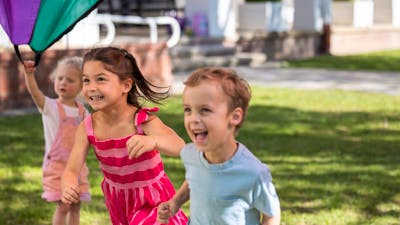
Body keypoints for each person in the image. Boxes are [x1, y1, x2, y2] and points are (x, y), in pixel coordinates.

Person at [61, 47, 188, 225]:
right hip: (120, 203)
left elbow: (179, 146)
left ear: (126, 85)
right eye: (86, 81)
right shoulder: (88, 127)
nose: (91, 87)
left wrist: (153, 140)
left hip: (154, 201)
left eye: (101, 79)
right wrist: (68, 184)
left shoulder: (142, 120)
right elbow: (71, 169)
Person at [157, 67, 281, 225]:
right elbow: (194, 179)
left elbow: (271, 215)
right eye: (188, 110)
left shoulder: (253, 173)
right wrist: (175, 202)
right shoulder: (190, 154)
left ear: (234, 117)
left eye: (205, 110)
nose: (193, 118)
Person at [23, 57, 90, 225]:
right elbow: (35, 93)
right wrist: (29, 75)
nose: (63, 83)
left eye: (70, 80)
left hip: (77, 168)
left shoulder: (83, 112)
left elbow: (93, 134)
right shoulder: (49, 106)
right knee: (63, 206)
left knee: (75, 205)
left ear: (82, 86)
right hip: (57, 168)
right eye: (60, 78)